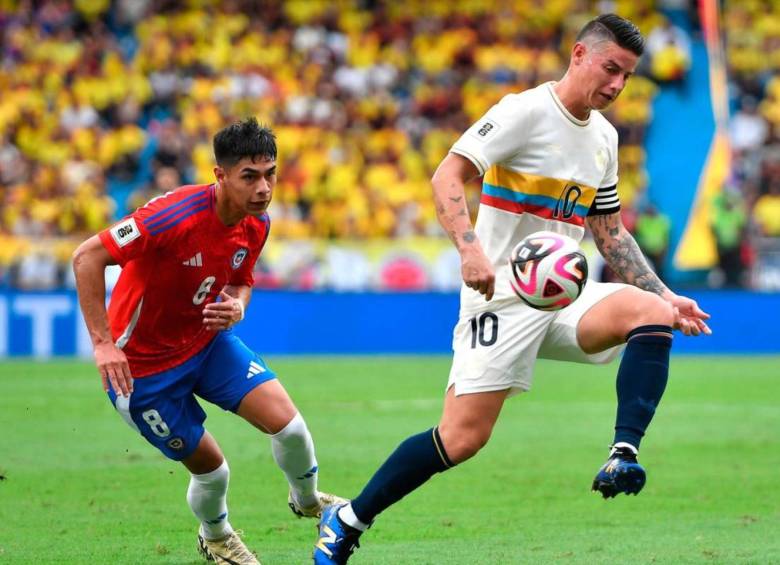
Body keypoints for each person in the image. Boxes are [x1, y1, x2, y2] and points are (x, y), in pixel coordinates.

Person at [313, 14, 711, 563]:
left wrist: (665, 295)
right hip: (499, 295)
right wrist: (470, 248)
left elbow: (610, 233)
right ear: (578, 55)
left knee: (650, 315)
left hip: (566, 294)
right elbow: (446, 177)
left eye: (627, 76)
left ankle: (623, 452)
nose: (618, 85)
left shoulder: (604, 138)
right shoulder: (523, 112)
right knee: (462, 439)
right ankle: (349, 517)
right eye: (610, 68)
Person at [72, 118, 343, 565]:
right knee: (214, 470)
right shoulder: (171, 216)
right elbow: (87, 256)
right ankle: (216, 536)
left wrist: (237, 305)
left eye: (270, 174)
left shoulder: (256, 224)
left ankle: (311, 503)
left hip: (204, 344)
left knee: (291, 427)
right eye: (250, 176)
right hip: (141, 372)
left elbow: (240, 282)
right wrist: (102, 343)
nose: (264, 188)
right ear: (220, 176)